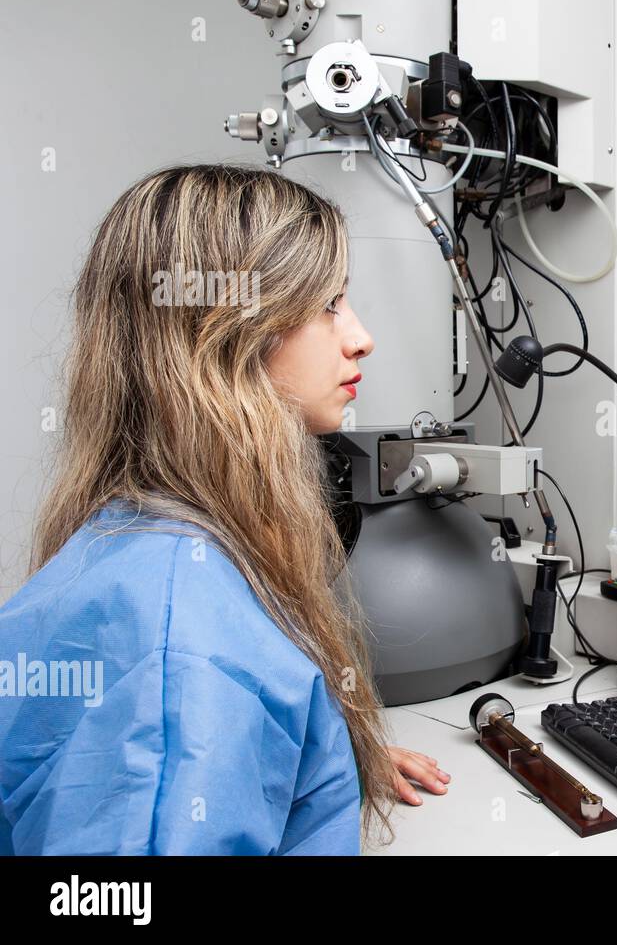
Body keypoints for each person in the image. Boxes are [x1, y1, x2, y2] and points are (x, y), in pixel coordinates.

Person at [0, 164, 449, 854]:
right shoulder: (182, 649)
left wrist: (310, 762)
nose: (359, 338)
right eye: (328, 303)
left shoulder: (140, 540)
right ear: (226, 331)